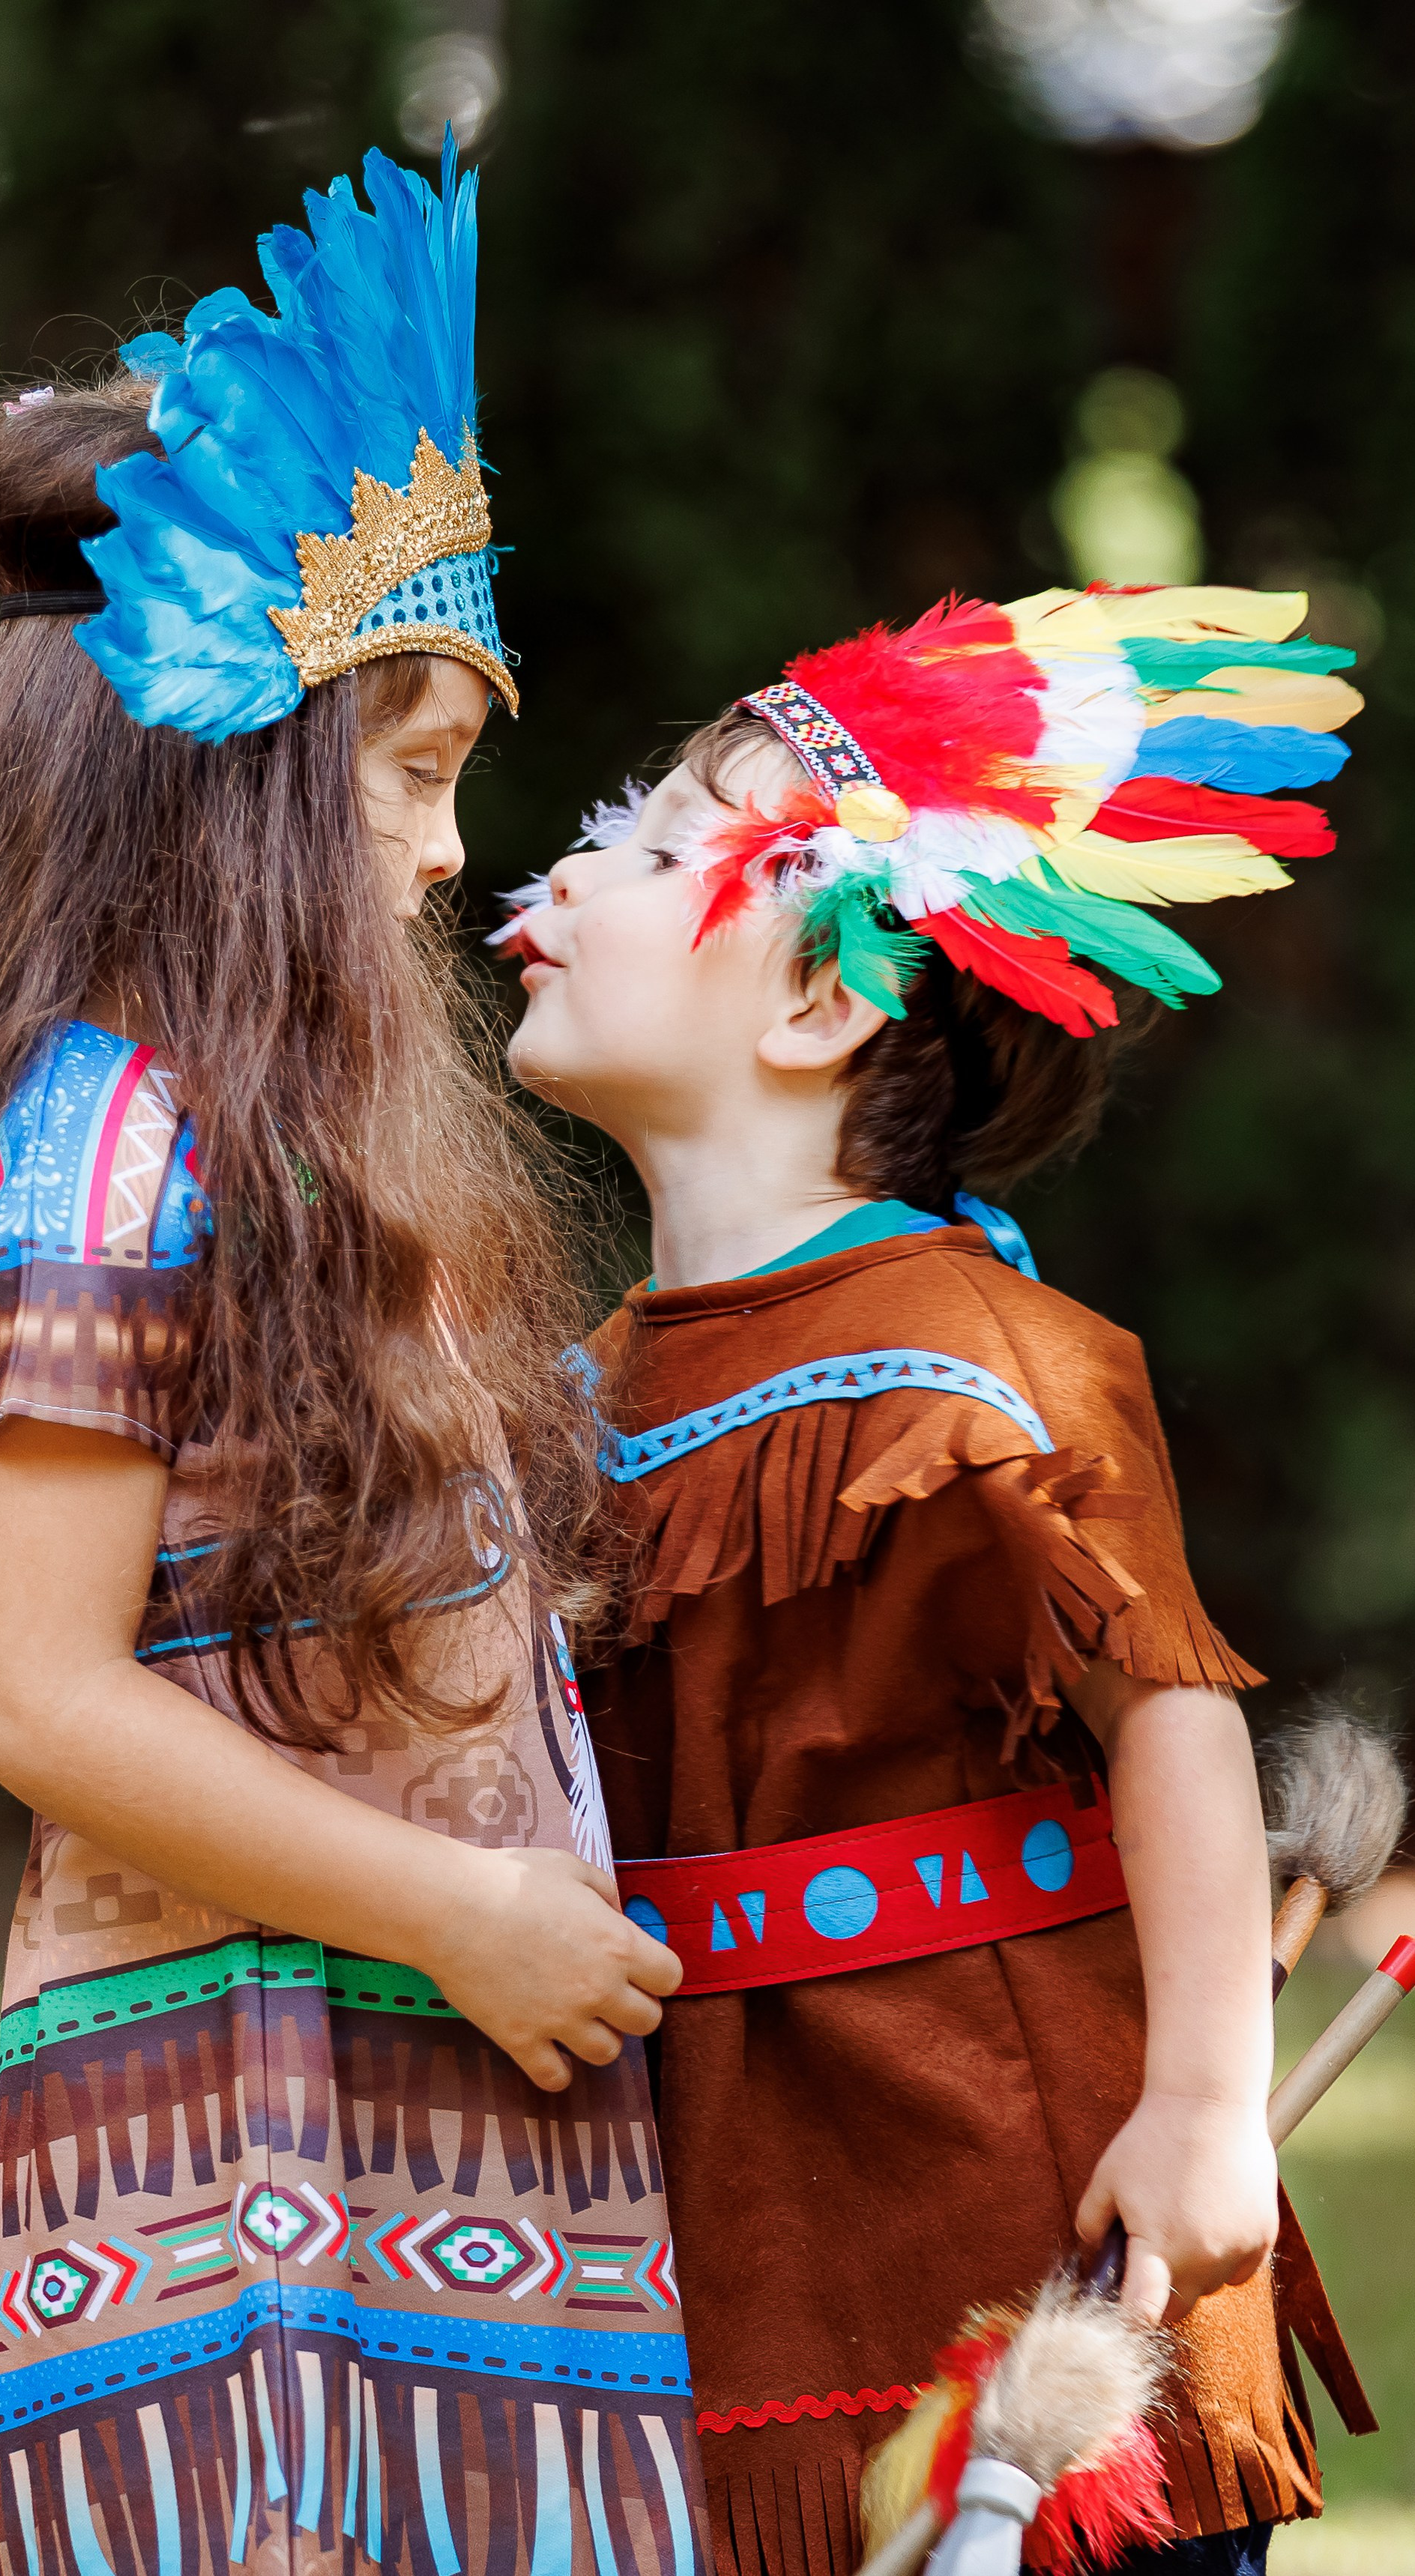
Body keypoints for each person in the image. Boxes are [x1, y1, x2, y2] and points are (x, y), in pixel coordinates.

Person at [0, 142, 707, 2576]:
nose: (434, 861)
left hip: (434, 2107)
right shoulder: (104, 1141)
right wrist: (457, 1913)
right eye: (403, 777)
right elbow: (43, 1700)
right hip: (244, 2147)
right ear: (239, 794)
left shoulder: (301, 1157)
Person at [496, 586, 1373, 2576]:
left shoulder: (981, 1352)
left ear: (816, 1009)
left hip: (1010, 2177)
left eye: (649, 844)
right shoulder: (587, 1379)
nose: (566, 857)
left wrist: (1208, 2111)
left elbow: (1167, 1712)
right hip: (728, 2176)